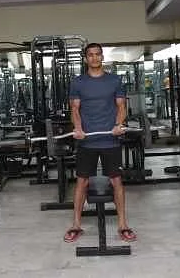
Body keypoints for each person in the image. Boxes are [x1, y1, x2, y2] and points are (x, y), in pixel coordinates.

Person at [63, 43, 137, 243]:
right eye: (91, 55)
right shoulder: (78, 82)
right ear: (86, 58)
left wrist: (118, 124)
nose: (94, 58)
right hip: (87, 140)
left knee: (116, 181)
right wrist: (78, 128)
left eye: (98, 54)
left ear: (102, 57)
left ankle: (123, 224)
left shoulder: (114, 80)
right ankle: (76, 225)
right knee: (82, 181)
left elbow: (121, 106)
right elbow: (75, 109)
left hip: (110, 139)